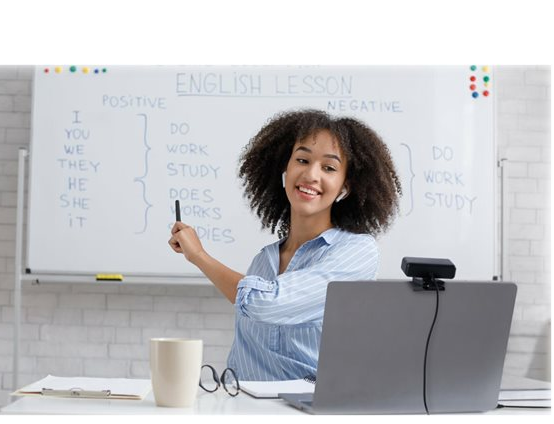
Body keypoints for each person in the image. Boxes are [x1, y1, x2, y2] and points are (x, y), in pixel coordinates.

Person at [168, 109, 401, 381]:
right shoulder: (264, 260)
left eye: (329, 168)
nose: (311, 174)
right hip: (240, 400)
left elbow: (264, 304)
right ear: (285, 169)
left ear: (345, 187)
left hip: (309, 404)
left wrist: (198, 255)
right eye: (302, 160)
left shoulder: (356, 252)